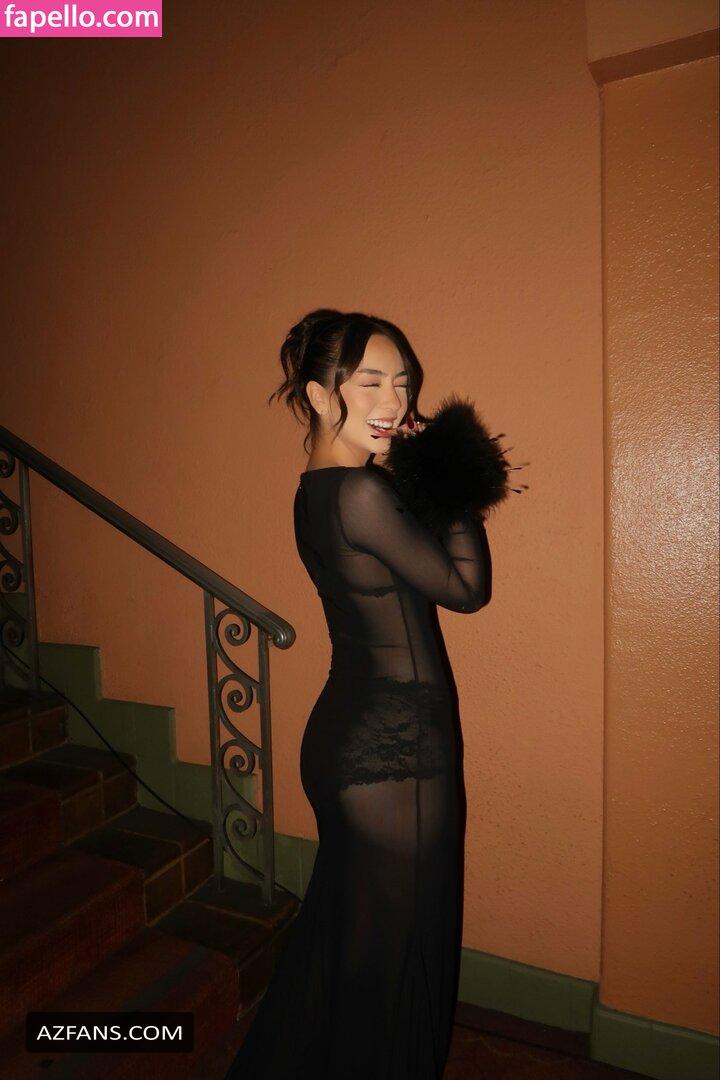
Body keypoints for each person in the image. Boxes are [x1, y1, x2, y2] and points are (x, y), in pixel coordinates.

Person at [225, 309, 522, 1079]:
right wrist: (450, 474)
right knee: (396, 965)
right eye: (371, 382)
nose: (394, 401)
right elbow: (466, 589)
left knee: (353, 952)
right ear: (320, 395)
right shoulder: (359, 493)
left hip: (363, 738)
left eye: (403, 382)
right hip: (395, 753)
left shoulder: (321, 490)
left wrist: (424, 475)